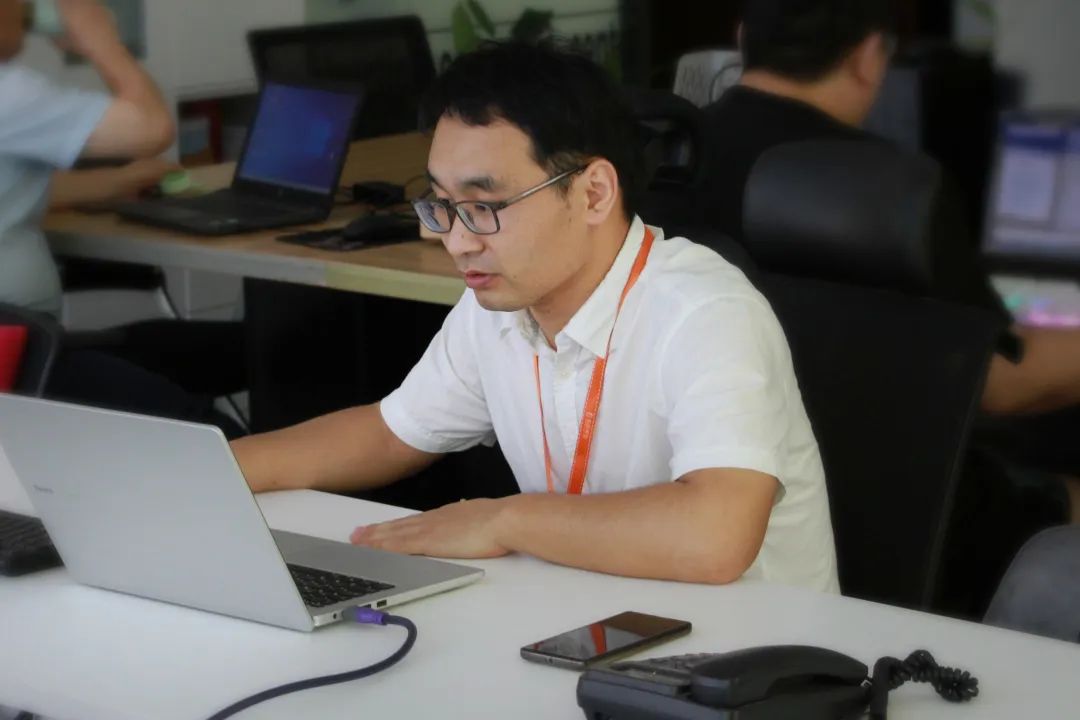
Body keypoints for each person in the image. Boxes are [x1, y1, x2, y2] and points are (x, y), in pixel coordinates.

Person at [232, 42, 838, 592]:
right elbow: (391, 433)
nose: (456, 241)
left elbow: (715, 536)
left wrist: (505, 520)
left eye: (485, 206)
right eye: (442, 204)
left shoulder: (705, 313)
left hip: (757, 652)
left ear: (594, 193)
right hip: (596, 614)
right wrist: (213, 469)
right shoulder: (498, 304)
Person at [700, 0, 1080, 514]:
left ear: (743, 39)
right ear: (868, 57)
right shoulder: (889, 190)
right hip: (888, 507)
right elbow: (1001, 381)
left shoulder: (670, 156)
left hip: (723, 486)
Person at [0, 0, 244, 436]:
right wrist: (100, 40)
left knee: (232, 350)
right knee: (216, 433)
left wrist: (118, 182)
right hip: (23, 359)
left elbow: (13, 187)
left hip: (28, 345)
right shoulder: (8, 92)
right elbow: (150, 129)